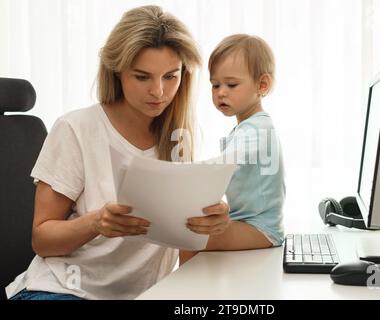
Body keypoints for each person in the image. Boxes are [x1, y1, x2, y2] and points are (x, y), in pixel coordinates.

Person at [6, 5, 230, 300]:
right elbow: (42, 240)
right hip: (60, 290)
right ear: (118, 71)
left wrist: (208, 226)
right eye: (142, 77)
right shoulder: (76, 128)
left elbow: (183, 245)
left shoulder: (182, 138)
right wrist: (97, 222)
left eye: (170, 77)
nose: (158, 92)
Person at [179, 34, 285, 264]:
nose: (221, 92)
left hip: (260, 228)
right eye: (215, 85)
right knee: (195, 230)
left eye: (231, 84)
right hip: (251, 223)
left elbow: (225, 164)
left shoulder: (255, 128)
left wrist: (184, 178)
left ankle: (184, 293)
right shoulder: (251, 126)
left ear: (262, 85)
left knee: (189, 235)